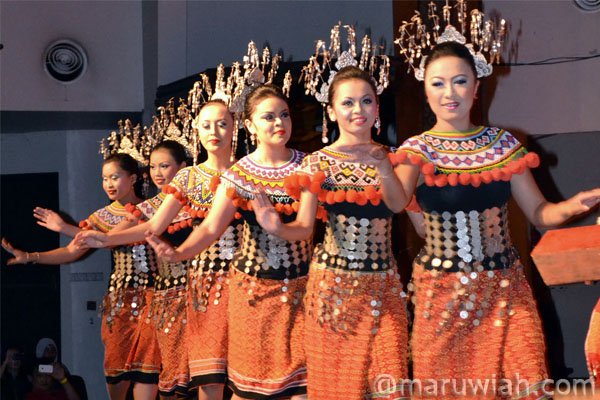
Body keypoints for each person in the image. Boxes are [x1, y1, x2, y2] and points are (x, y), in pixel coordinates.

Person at [395, 40, 600, 398]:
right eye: (437, 83)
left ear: (476, 87)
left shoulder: (502, 145)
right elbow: (396, 201)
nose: (449, 93)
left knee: (527, 383)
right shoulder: (416, 151)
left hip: (505, 287)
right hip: (443, 294)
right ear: (425, 90)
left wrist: (573, 205)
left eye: (460, 81)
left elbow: (540, 212)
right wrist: (382, 169)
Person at [252, 66, 414, 399]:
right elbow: (304, 227)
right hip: (334, 291)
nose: (358, 110)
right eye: (347, 103)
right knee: (339, 388)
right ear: (331, 111)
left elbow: (401, 206)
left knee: (390, 384)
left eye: (366, 101)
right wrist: (276, 226)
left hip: (384, 287)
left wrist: (384, 167)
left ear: (377, 107)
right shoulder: (317, 164)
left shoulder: (396, 159)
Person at [145, 85, 309, 400]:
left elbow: (306, 227)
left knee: (301, 388)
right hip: (253, 290)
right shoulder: (239, 174)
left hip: (300, 289)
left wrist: (277, 226)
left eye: (285, 115)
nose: (279, 123)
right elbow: (210, 228)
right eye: (269, 117)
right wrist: (179, 253)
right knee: (249, 389)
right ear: (250, 125)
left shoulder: (308, 166)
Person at [76, 100, 242, 400]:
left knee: (247, 379)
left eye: (222, 124)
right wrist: (106, 239)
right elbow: (153, 225)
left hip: (244, 283)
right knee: (209, 378)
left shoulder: (248, 171)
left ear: (236, 126)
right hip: (204, 288)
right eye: (206, 125)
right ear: (197, 130)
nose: (214, 132)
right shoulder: (189, 179)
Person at [2, 153, 161, 400]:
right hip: (119, 301)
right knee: (116, 372)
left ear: (133, 179)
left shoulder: (152, 209)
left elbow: (107, 240)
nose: (108, 184)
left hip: (152, 298)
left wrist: (63, 227)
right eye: (104, 178)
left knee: (147, 371)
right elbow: (71, 251)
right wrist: (30, 256)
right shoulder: (102, 217)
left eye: (115, 177)